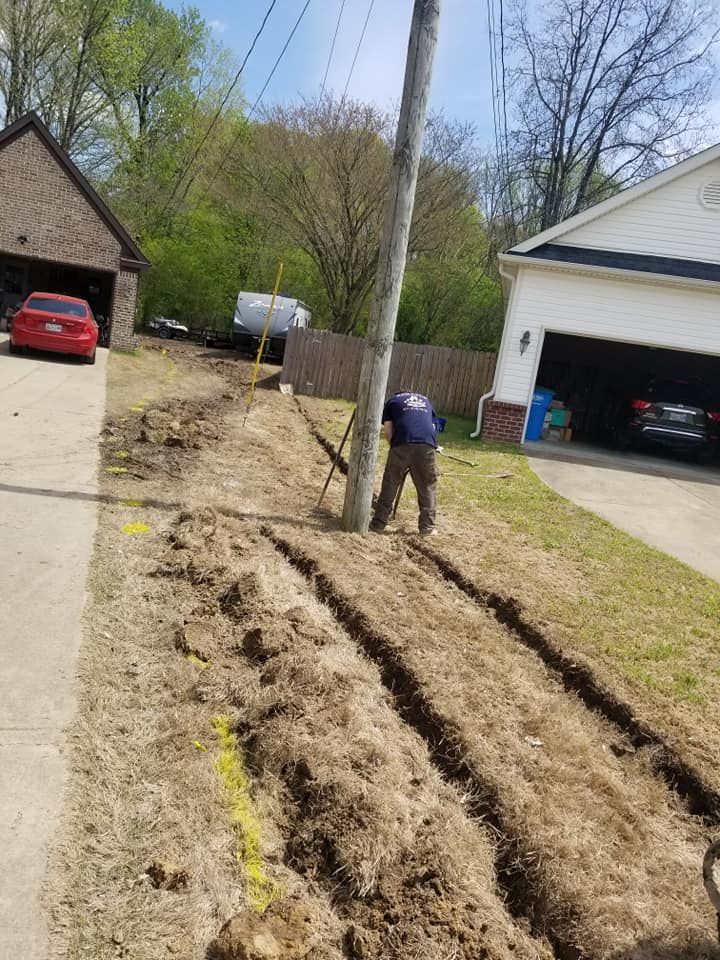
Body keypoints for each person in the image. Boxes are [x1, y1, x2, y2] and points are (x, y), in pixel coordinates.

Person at [370, 391, 439, 536]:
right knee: (427, 486)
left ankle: (378, 524)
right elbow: (431, 427)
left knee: (390, 483)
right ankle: (427, 528)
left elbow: (388, 430)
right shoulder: (425, 400)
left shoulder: (392, 401)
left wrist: (396, 450)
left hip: (402, 442)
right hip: (427, 444)